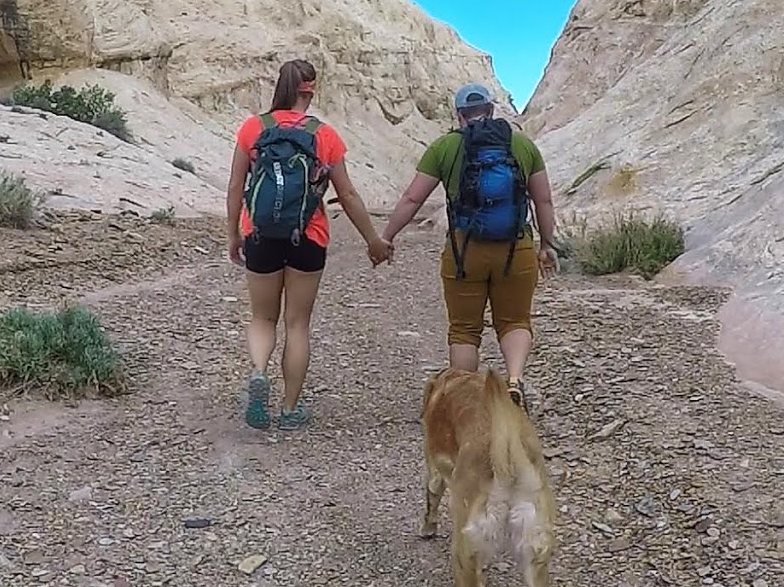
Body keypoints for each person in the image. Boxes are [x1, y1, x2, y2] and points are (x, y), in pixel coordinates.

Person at [226, 58, 392, 431]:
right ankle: (289, 409)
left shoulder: (253, 128)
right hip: (309, 237)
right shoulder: (324, 135)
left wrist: (234, 234)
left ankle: (257, 373)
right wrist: (373, 240)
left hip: (261, 234)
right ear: (310, 89)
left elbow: (236, 186)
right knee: (297, 324)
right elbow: (346, 194)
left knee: (263, 316)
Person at [379, 83, 559, 412]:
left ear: (459, 114)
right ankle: (515, 381)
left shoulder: (445, 146)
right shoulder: (521, 144)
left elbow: (412, 199)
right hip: (515, 248)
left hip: (464, 251)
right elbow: (543, 199)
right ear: (491, 110)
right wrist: (546, 244)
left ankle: (466, 401)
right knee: (515, 320)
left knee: (464, 328)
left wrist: (387, 237)